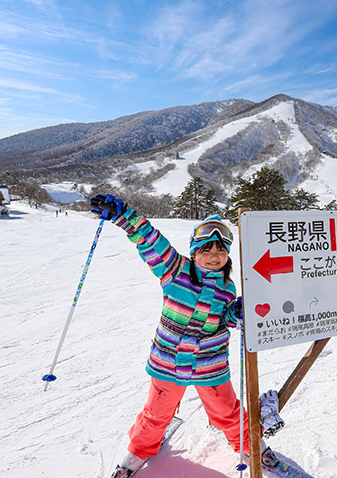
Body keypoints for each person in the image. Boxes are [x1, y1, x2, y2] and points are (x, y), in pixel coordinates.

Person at [88, 194, 283, 478]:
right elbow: (148, 238)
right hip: (167, 363)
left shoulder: (227, 289)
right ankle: (136, 454)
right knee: (156, 415)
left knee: (227, 413)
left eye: (220, 250)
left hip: (210, 367)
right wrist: (123, 214)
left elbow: (226, 319)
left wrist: (237, 313)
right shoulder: (174, 270)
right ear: (193, 252)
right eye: (206, 249)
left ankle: (251, 445)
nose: (214, 256)